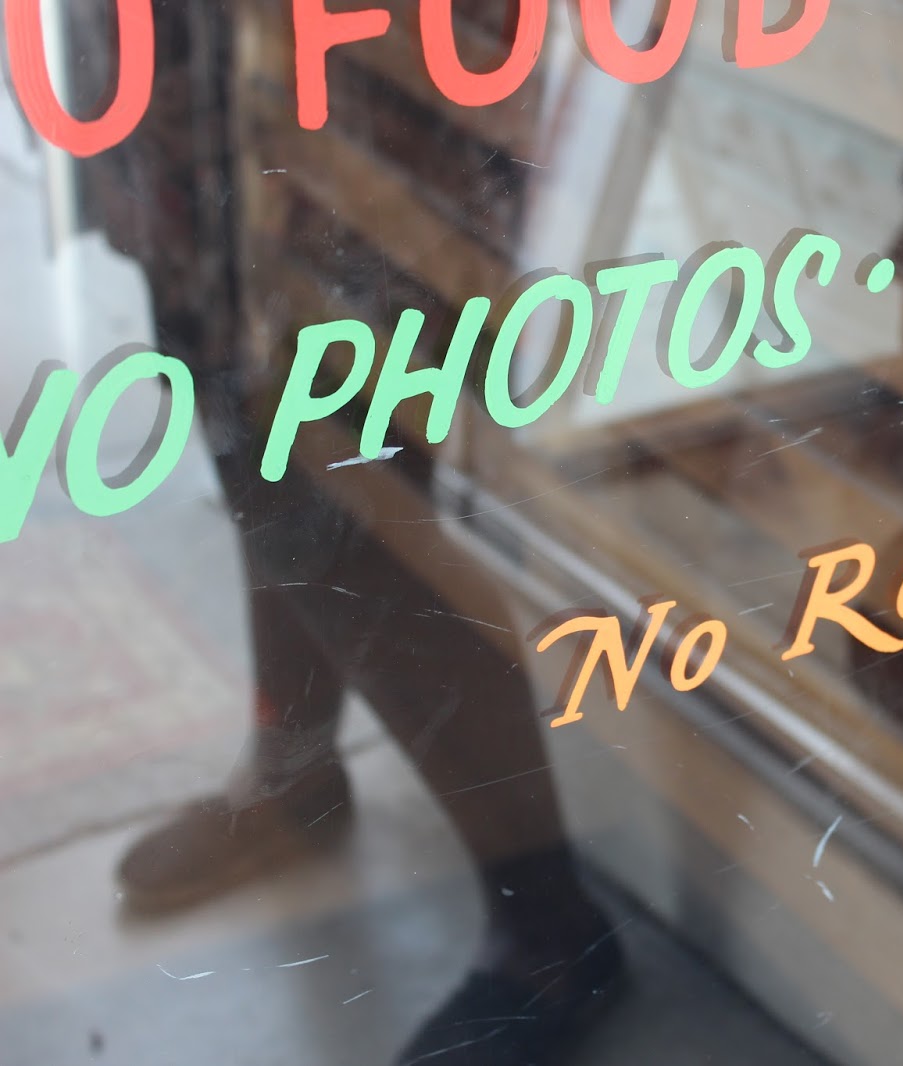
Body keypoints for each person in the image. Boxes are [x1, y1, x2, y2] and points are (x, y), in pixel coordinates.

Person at [58, 2, 622, 1062]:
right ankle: (295, 763)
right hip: (203, 49)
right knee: (234, 379)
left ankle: (548, 921)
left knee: (338, 451)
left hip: (348, 52)